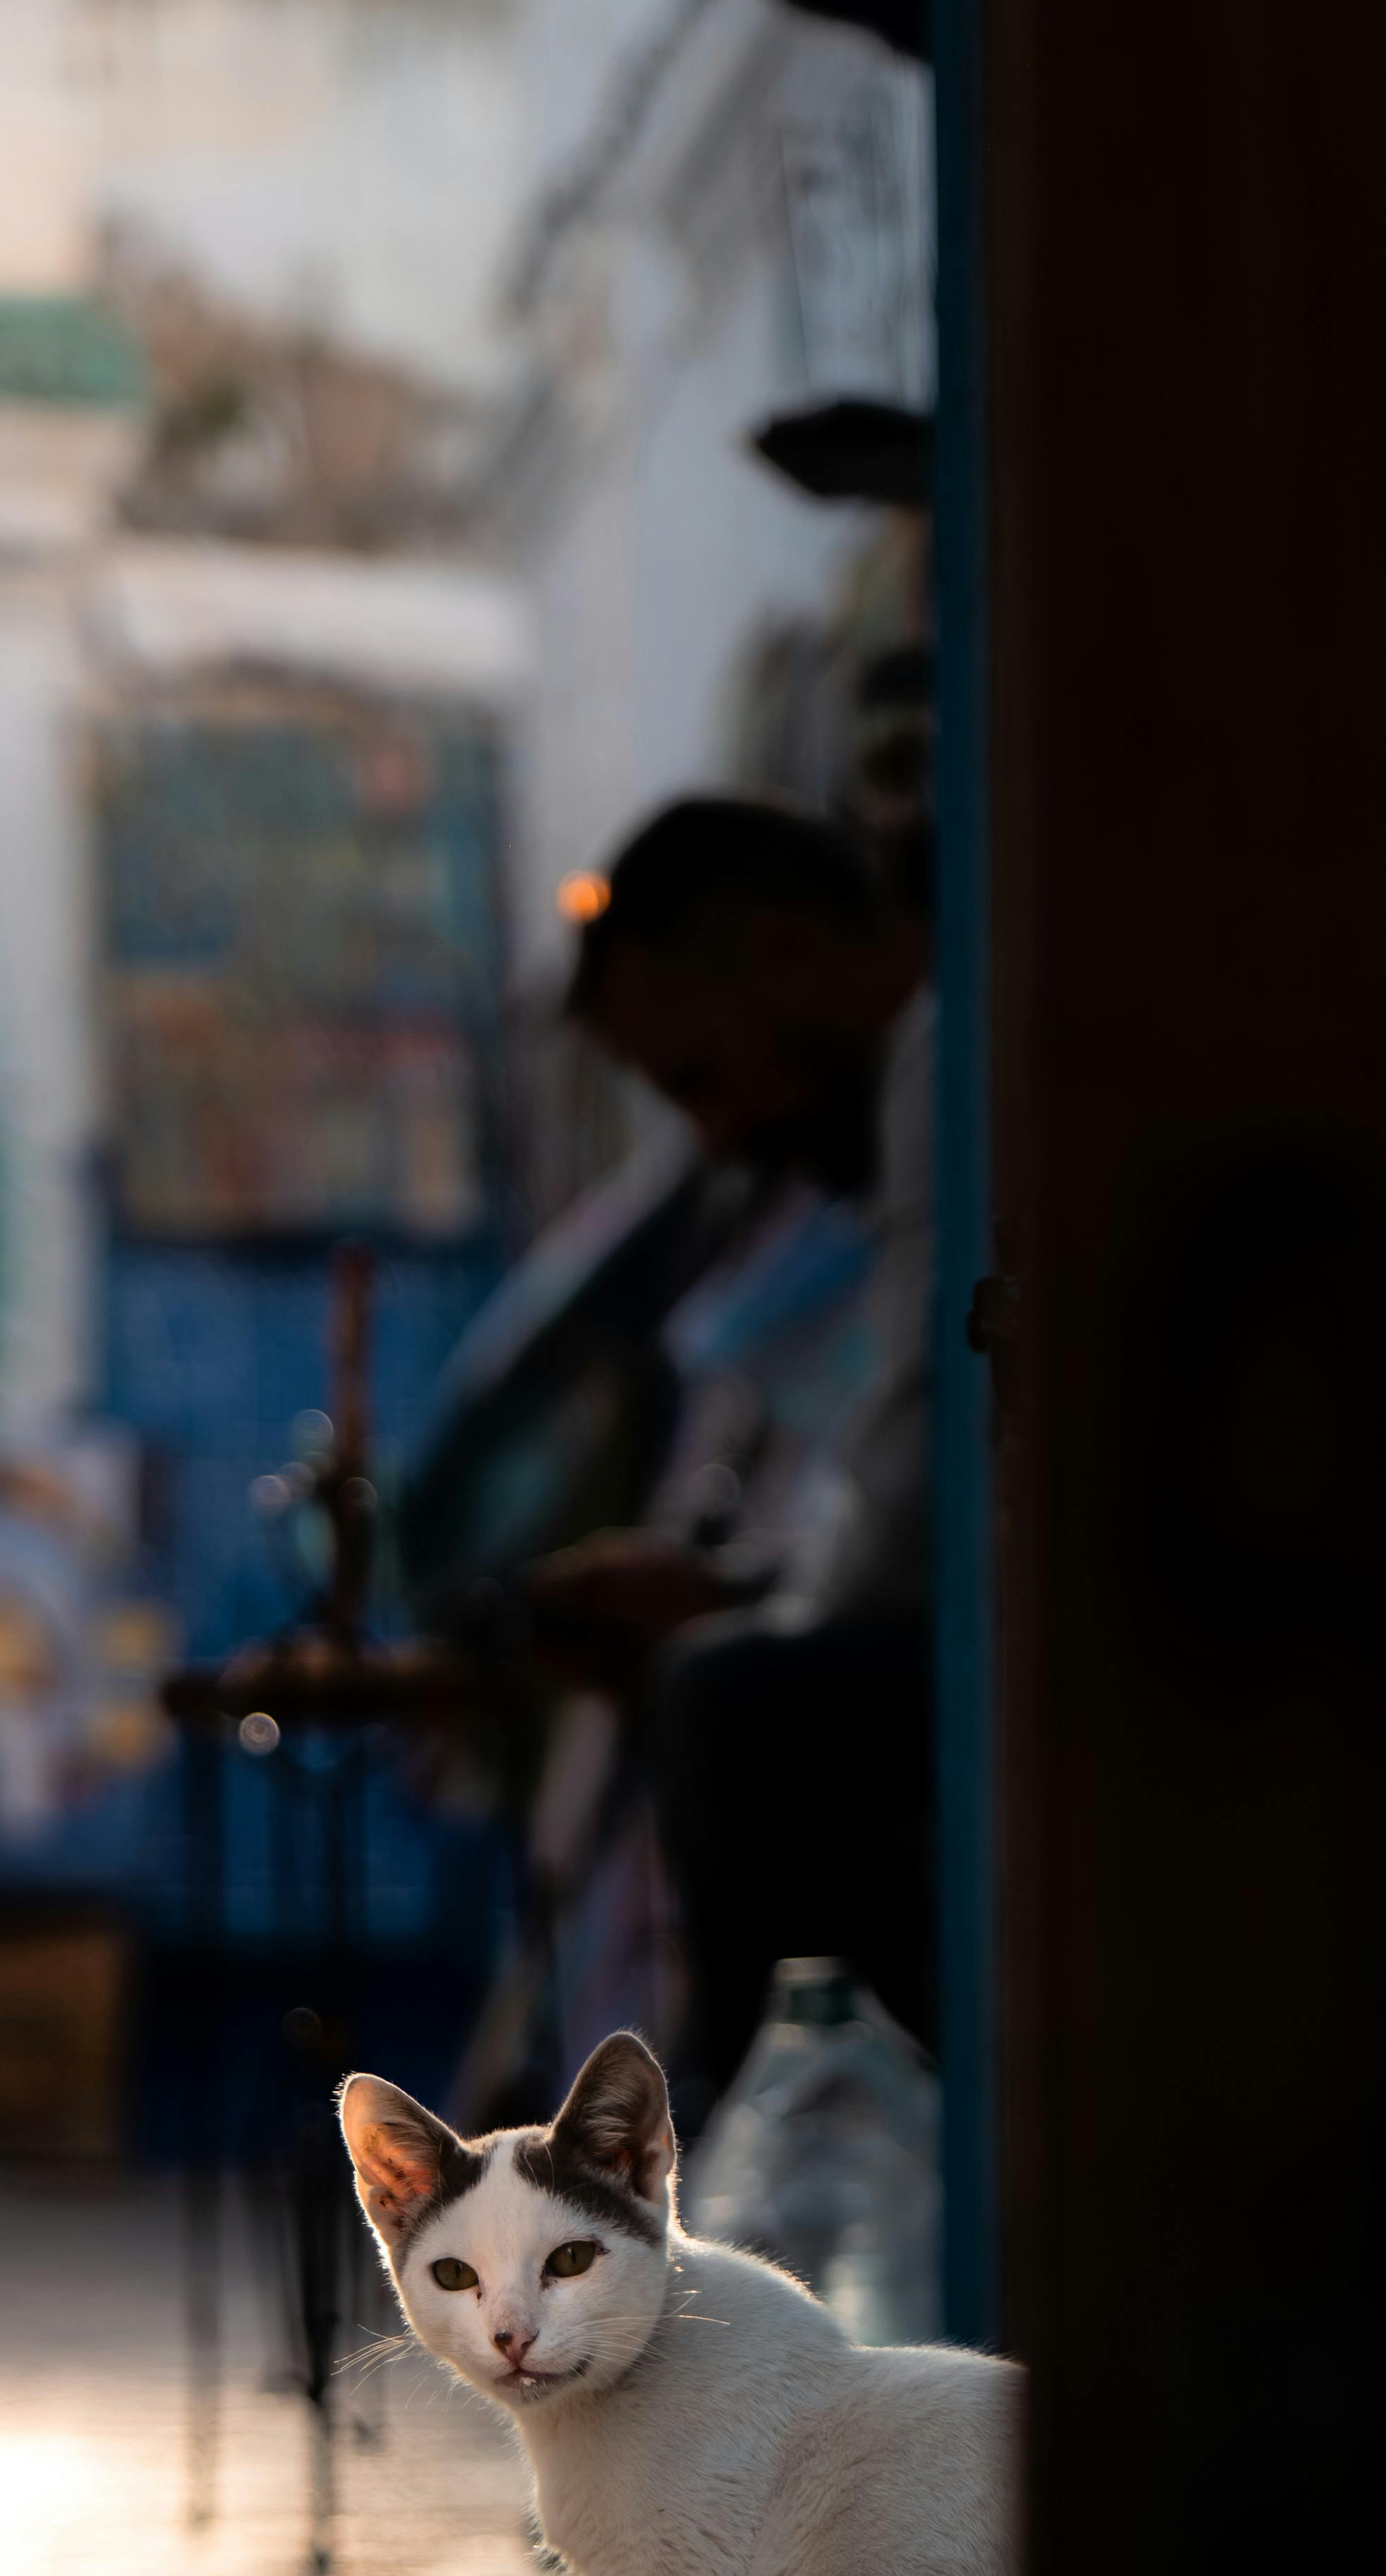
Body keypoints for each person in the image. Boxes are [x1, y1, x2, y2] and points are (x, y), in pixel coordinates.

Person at [533, 795, 936, 2128]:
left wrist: (736, 1612)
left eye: (699, 1078)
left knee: (733, 1703)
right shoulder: (913, 1112)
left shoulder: (946, 1070)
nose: (713, 1137)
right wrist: (745, 1587)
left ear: (782, 950)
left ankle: (778, 2191)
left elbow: (908, 1508)